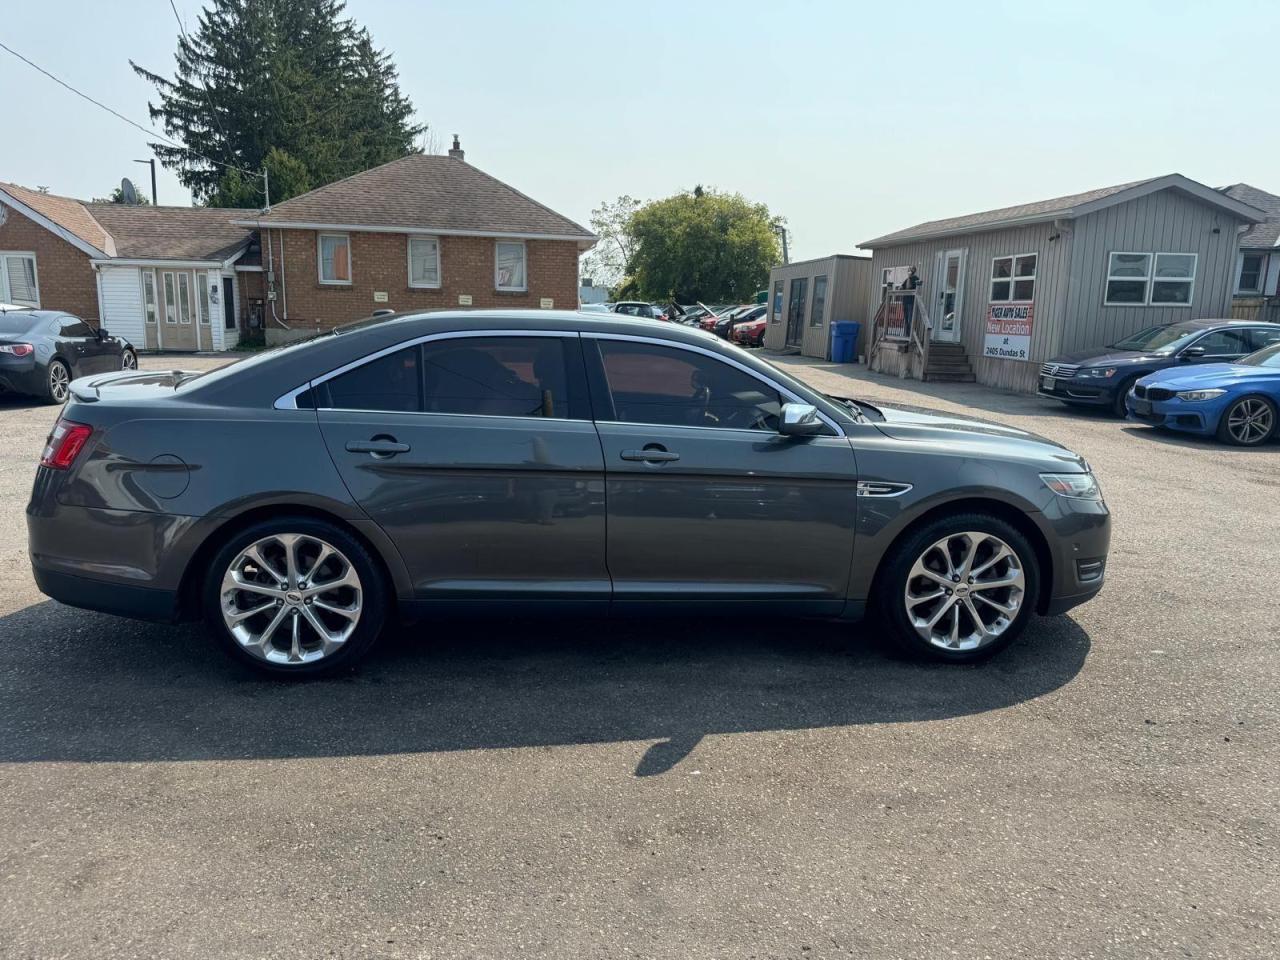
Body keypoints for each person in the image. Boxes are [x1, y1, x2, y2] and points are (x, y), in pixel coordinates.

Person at [899, 266, 922, 336]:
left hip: (911, 302)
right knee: (906, 319)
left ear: (914, 271)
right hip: (905, 301)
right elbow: (901, 287)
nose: (909, 271)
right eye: (909, 270)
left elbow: (911, 287)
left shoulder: (916, 279)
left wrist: (909, 279)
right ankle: (906, 334)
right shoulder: (906, 279)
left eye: (911, 270)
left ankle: (910, 335)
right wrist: (901, 287)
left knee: (910, 320)